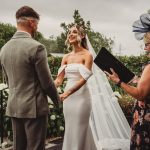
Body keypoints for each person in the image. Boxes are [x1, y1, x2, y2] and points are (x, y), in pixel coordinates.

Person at [0, 6, 60, 150]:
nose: (37, 28)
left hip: (14, 107)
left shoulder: (4, 49)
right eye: (37, 24)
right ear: (32, 23)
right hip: (34, 109)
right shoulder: (37, 47)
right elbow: (46, 83)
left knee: (19, 147)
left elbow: (7, 81)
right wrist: (57, 101)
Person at [105, 12, 150, 150]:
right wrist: (134, 79)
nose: (145, 48)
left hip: (146, 120)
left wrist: (119, 82)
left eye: (147, 44)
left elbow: (140, 94)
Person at [55, 25, 97, 150]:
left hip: (81, 97)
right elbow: (59, 79)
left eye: (74, 32)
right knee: (70, 127)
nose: (71, 34)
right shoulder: (66, 57)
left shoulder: (87, 55)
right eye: (69, 32)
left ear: (82, 36)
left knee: (80, 127)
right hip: (68, 99)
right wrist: (48, 86)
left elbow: (84, 79)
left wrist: (67, 93)